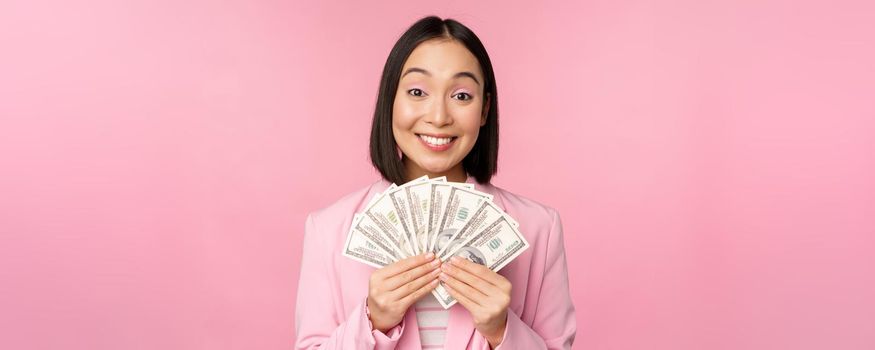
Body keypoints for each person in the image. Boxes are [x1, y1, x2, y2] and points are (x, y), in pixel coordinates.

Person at [295, 16, 576, 350]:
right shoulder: (328, 230)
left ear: (484, 109)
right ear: (391, 101)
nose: (439, 116)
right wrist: (373, 321)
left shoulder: (538, 228)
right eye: (417, 92)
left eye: (461, 95)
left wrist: (502, 331)